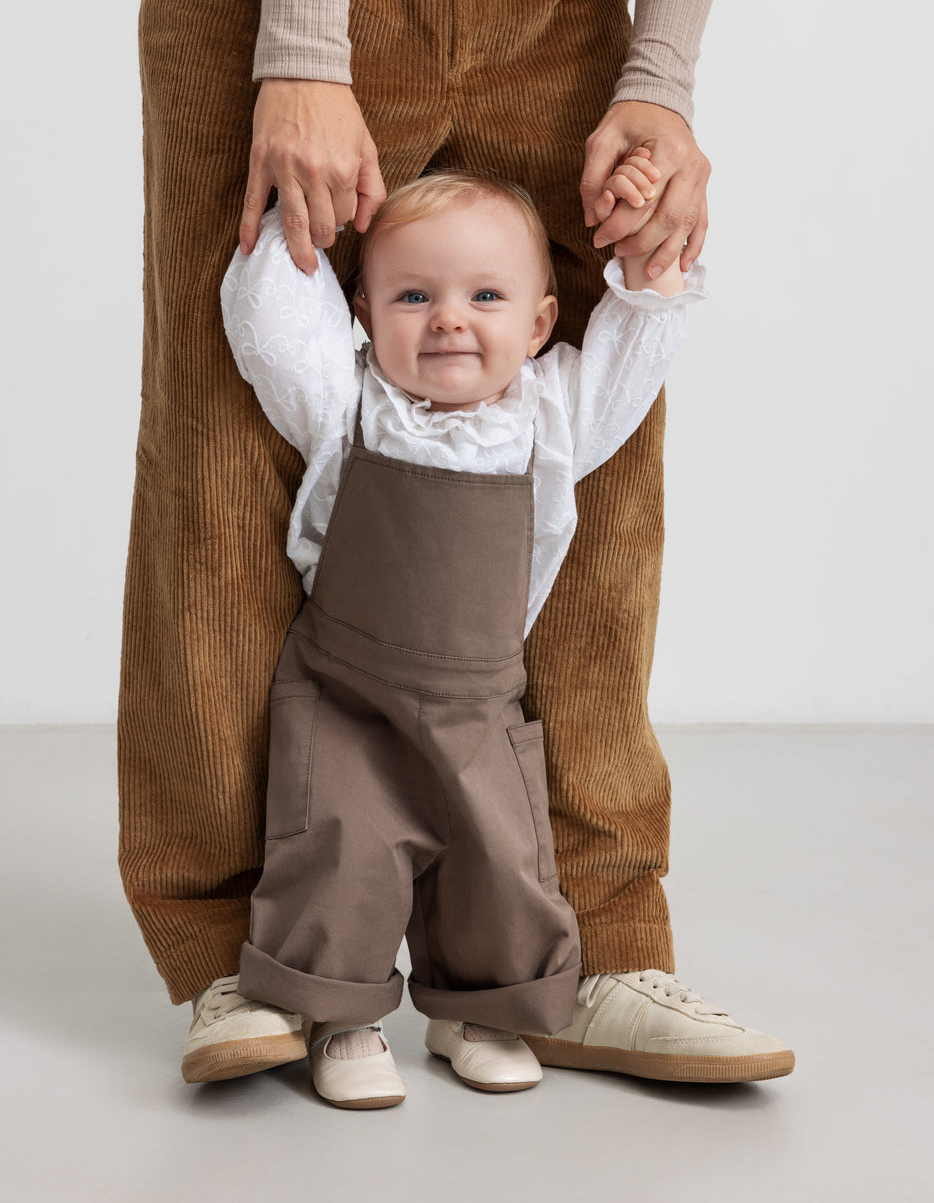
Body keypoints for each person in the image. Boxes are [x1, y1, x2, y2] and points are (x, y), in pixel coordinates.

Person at [122, 0, 791, 1087]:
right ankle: (252, 952)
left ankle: (581, 946)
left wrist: (660, 78)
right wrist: (301, 39)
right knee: (229, 430)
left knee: (589, 412)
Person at [216, 162, 723, 1106]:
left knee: (500, 860)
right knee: (340, 847)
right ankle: (341, 1016)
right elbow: (272, 329)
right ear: (363, 315)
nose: (449, 319)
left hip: (480, 698)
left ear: (538, 323)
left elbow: (628, 372)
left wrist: (650, 283)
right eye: (414, 296)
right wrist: (298, 219)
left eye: (486, 296)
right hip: (349, 693)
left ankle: (478, 1012)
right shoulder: (351, 402)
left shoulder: (550, 413)